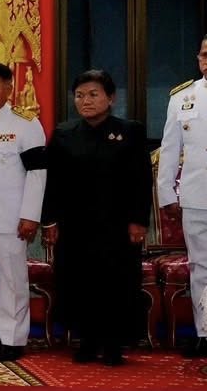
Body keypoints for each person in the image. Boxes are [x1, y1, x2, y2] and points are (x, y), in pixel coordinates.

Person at [42, 70, 152, 365]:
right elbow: (52, 182)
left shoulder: (130, 131)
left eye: (93, 94)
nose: (85, 101)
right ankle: (87, 341)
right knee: (79, 280)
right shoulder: (64, 133)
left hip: (118, 224)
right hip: (75, 224)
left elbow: (141, 179)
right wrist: (50, 220)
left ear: (110, 98)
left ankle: (114, 344)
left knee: (117, 281)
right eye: (79, 95)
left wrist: (139, 220)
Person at [0, 61, 47, 362]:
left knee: (13, 279)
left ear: (8, 88)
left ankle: (14, 338)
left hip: (11, 216)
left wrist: (30, 214)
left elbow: (37, 173)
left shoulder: (25, 124)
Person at [158, 36, 207, 357]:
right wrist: (166, 192)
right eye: (204, 54)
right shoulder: (182, 98)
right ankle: (205, 331)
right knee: (201, 266)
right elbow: (170, 149)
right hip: (196, 194)